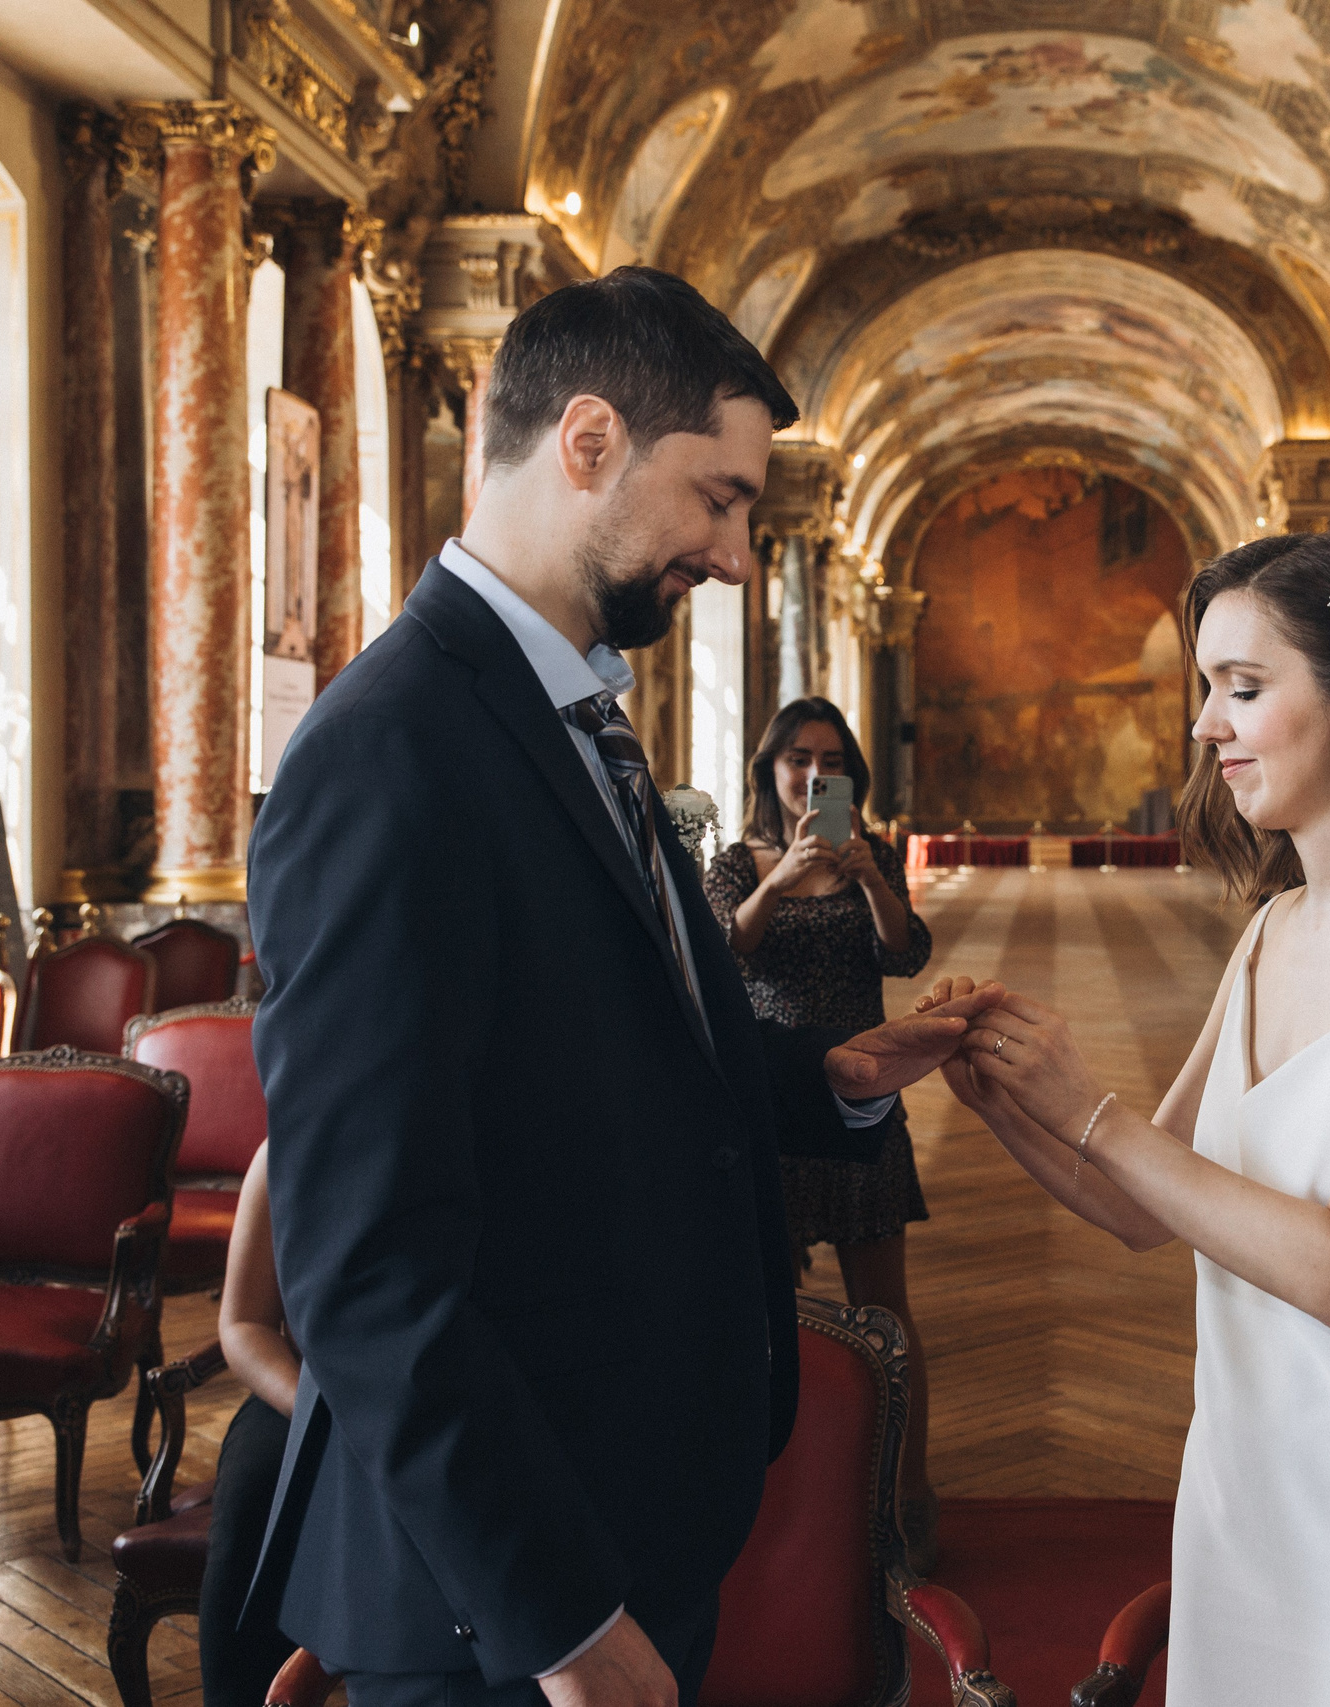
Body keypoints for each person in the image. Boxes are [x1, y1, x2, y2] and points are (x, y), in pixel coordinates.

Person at [244, 265, 1002, 1707]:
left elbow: (600, 1059)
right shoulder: (389, 752)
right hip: (500, 1596)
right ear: (587, 441)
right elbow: (364, 1265)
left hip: (629, 1511)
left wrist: (828, 1076)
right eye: (717, 497)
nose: (729, 554)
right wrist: (560, 1621)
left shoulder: (574, 708)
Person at [926, 527, 1330, 1702]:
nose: (1202, 724)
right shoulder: (1274, 929)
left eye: (1243, 687)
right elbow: (1138, 1207)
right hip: (1242, 1504)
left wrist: (1094, 1107)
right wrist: (1005, 1093)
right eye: (1204, 689)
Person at [703, 700, 939, 1566]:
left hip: (865, 1093)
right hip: (768, 1098)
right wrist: (783, 872)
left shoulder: (868, 853)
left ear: (849, 775)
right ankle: (779, 1506)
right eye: (796, 757)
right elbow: (723, 952)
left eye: (829, 760)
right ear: (769, 766)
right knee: (761, 1312)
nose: (811, 773)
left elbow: (904, 953)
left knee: (887, 1311)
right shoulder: (736, 862)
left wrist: (869, 875)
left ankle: (908, 1496)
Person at [197, 1145, 300, 1707]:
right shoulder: (282, 1150)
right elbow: (243, 1323)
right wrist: (316, 1413)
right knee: (258, 1492)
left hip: (457, 1398)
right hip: (304, 1396)